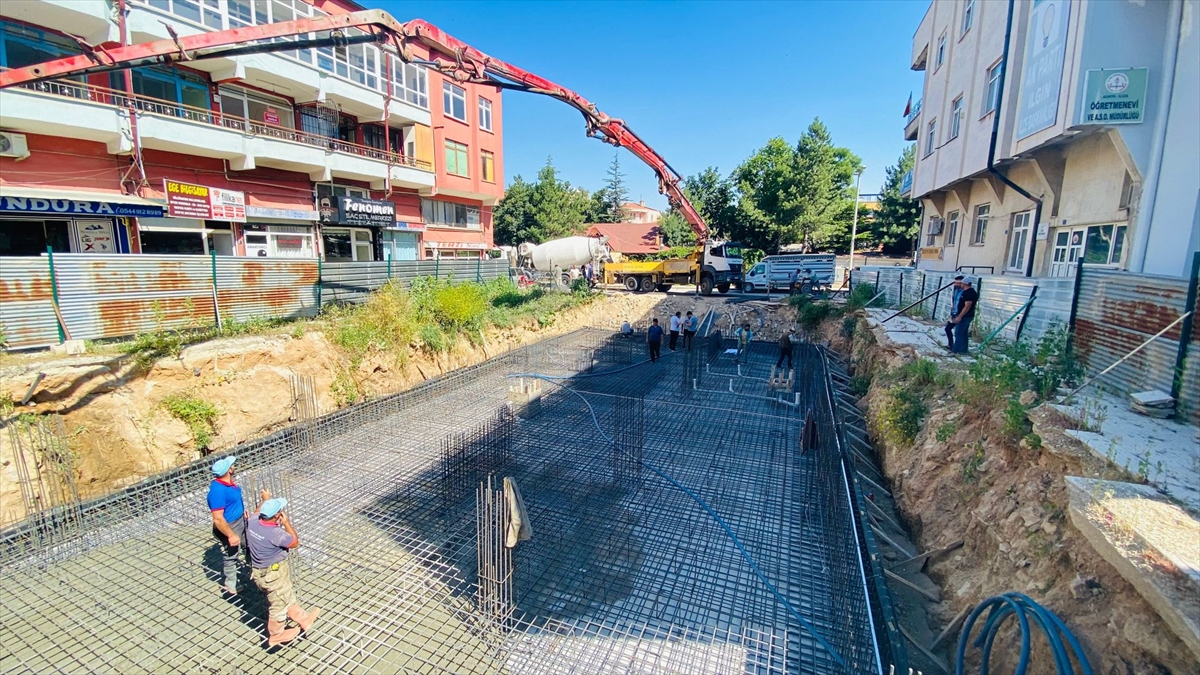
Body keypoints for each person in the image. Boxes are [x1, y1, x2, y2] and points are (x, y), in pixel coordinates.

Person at [247, 496, 321, 647]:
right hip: (273, 574)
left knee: (286, 595)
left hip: (259, 570)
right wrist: (286, 523)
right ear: (276, 515)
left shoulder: (252, 522)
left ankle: (303, 618)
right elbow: (294, 542)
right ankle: (276, 634)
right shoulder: (276, 534)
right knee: (279, 603)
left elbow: (257, 511)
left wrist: (266, 500)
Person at [207, 455, 246, 596]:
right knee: (231, 554)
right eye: (232, 465)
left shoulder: (227, 483)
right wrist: (230, 534)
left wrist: (242, 511)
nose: (234, 466)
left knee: (247, 545)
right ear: (229, 470)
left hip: (239, 520)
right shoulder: (217, 491)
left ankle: (254, 571)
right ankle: (231, 583)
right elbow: (218, 519)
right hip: (229, 525)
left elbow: (233, 502)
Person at [950, 277, 979, 354]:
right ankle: (963, 350)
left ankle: (956, 350)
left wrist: (959, 316)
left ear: (965, 284)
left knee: (958, 333)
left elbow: (967, 306)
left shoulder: (969, 293)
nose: (961, 285)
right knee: (964, 333)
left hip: (965, 316)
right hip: (966, 316)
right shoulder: (968, 292)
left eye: (962, 283)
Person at [944, 275, 965, 350]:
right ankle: (951, 344)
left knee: (959, 332)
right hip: (954, 313)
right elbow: (954, 301)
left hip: (961, 314)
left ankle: (958, 348)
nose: (956, 285)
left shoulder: (965, 292)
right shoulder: (955, 290)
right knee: (947, 328)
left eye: (958, 283)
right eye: (955, 283)